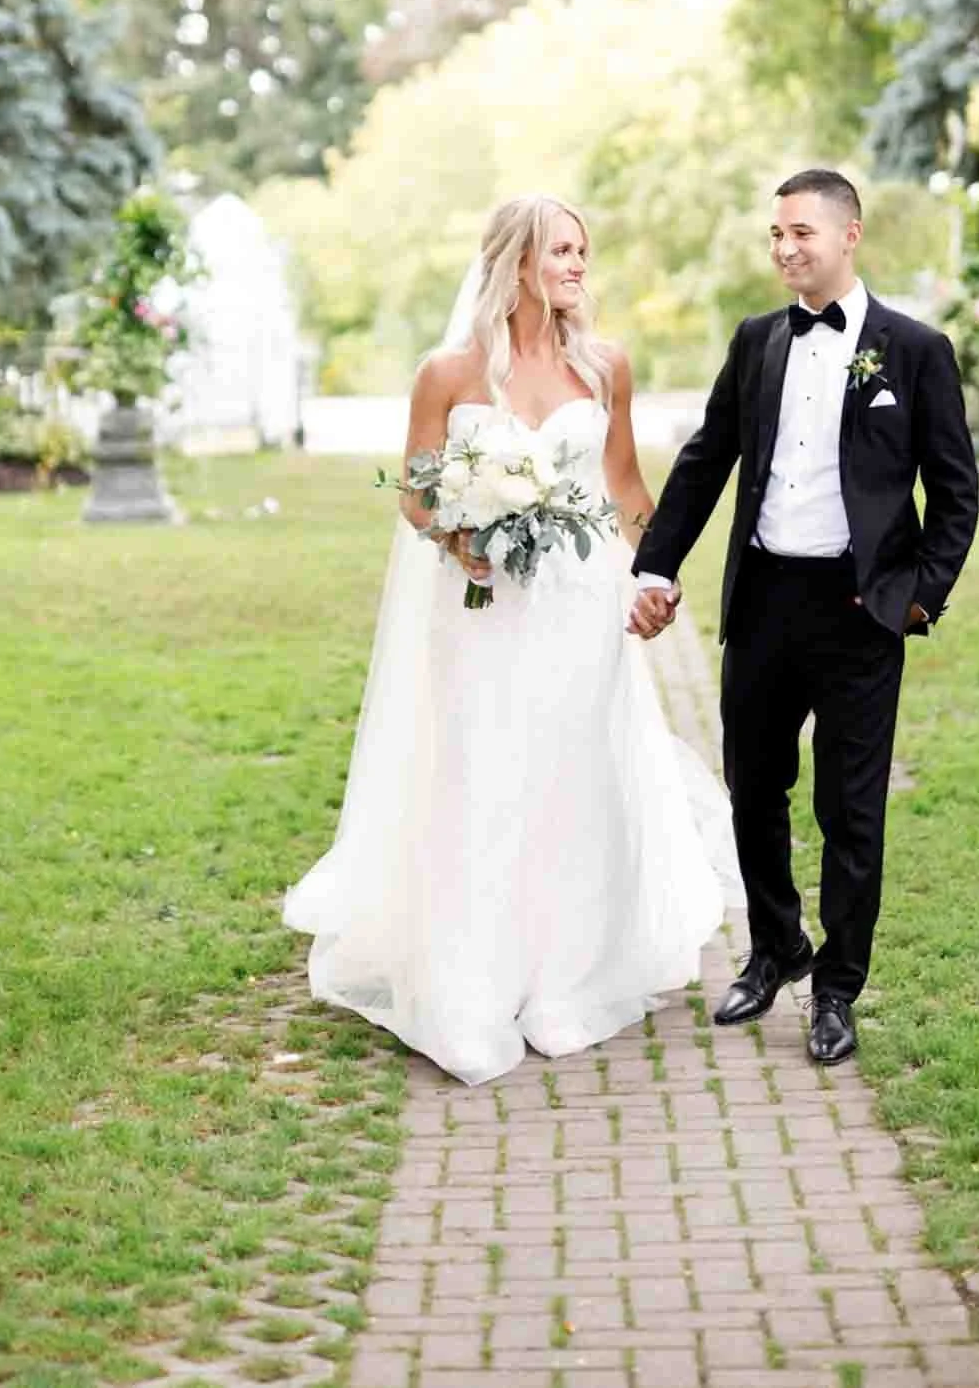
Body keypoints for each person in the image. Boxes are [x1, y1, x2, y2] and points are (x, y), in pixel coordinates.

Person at [283, 196, 740, 1086]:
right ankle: (471, 982)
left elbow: (624, 489)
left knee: (574, 776)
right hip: (481, 614)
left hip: (579, 609)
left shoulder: (605, 367)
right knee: (481, 774)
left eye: (583, 251)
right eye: (562, 251)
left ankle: (565, 978)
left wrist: (658, 574)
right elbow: (417, 494)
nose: (577, 266)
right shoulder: (447, 373)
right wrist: (462, 537)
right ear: (516, 263)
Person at [628, 168, 979, 1065]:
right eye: (775, 234)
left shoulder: (914, 349)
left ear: (850, 235)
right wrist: (658, 560)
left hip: (862, 611)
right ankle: (777, 944)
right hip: (765, 598)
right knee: (754, 788)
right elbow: (708, 457)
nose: (786, 248)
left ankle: (836, 986)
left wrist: (917, 596)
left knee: (851, 809)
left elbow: (956, 490)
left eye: (802, 234)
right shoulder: (756, 343)